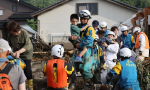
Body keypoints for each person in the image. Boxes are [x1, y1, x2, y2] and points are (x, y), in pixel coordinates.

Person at [69, 10, 96, 83]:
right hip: (78, 50)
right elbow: (73, 33)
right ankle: (73, 83)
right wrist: (70, 38)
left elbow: (90, 39)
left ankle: (88, 84)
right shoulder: (79, 26)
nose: (82, 20)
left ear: (88, 19)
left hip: (87, 50)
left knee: (85, 69)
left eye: (84, 19)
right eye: (81, 18)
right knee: (73, 67)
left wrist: (80, 44)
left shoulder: (90, 28)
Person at [7, 21, 33, 90]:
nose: (13, 34)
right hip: (16, 53)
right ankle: (19, 85)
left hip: (26, 52)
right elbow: (8, 45)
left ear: (18, 30)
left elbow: (28, 45)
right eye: (12, 33)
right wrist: (11, 52)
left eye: (14, 33)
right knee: (17, 68)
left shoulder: (24, 32)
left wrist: (19, 52)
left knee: (27, 69)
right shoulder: (10, 35)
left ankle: (30, 86)